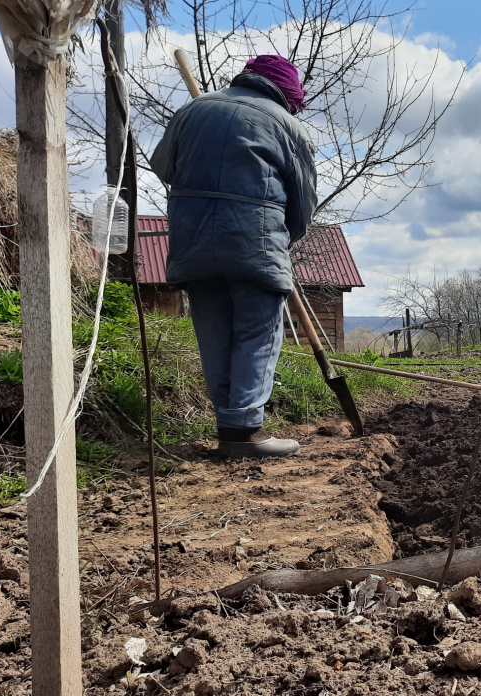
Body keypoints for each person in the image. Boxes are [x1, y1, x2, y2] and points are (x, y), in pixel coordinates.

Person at [149, 55, 317, 458]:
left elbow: (163, 166)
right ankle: (242, 432)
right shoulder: (288, 127)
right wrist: (281, 238)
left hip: (192, 242)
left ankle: (230, 427)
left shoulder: (194, 109)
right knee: (258, 333)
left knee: (214, 333)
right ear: (286, 93)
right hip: (255, 243)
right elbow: (303, 205)